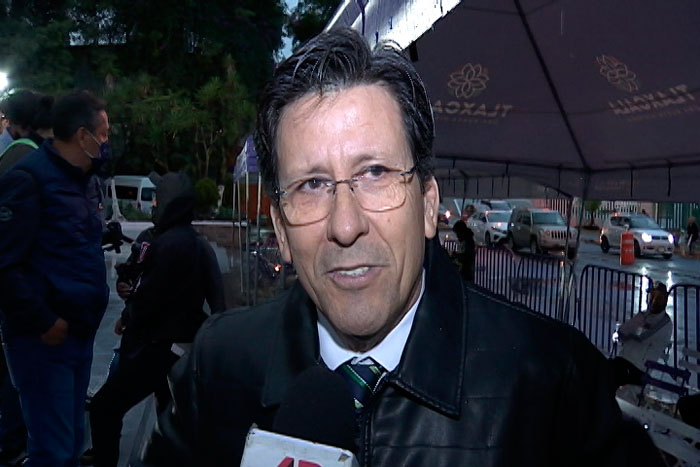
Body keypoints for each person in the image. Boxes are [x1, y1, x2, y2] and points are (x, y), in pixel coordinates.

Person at [143, 29, 663, 466]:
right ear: (280, 229)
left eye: (374, 173)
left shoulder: (551, 379)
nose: (345, 226)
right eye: (312, 185)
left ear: (427, 204)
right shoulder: (218, 366)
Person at [0, 90, 111, 466]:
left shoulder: (85, 180)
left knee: (71, 442)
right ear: (82, 136)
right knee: (53, 450)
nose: (106, 142)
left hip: (78, 334)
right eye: (103, 134)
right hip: (44, 340)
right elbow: (4, 265)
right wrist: (44, 321)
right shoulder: (30, 180)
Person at [85, 172, 226, 467]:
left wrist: (132, 311)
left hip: (158, 348)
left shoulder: (169, 244)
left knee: (104, 408)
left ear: (169, 203)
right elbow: (217, 303)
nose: (153, 206)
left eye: (158, 200)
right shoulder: (187, 242)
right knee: (169, 419)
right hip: (175, 348)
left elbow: (150, 298)